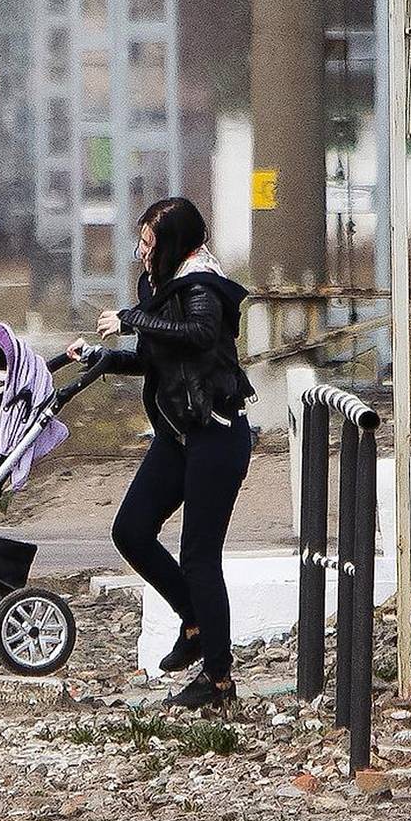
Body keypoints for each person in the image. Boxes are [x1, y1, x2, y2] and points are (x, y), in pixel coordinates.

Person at [70, 197, 255, 710]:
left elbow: (197, 335)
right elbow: (156, 360)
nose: (142, 252)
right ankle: (193, 622)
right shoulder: (158, 286)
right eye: (142, 242)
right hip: (178, 433)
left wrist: (132, 318)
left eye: (151, 243)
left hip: (216, 434)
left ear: (174, 244)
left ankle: (219, 682)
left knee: (199, 557)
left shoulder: (202, 285)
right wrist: (106, 359)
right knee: (130, 530)